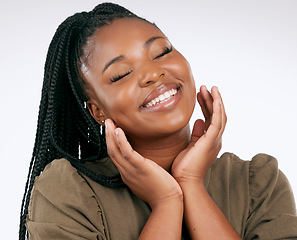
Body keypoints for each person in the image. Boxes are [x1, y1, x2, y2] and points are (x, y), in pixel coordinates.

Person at [19, 2, 297, 240]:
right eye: (121, 74)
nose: (153, 73)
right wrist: (166, 203)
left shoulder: (258, 182)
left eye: (162, 52)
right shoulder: (68, 193)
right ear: (97, 111)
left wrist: (191, 184)